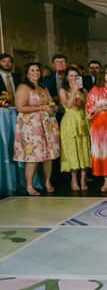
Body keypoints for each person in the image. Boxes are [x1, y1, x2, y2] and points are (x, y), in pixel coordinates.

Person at [13, 62, 60, 195]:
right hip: (32, 127)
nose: (35, 73)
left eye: (37, 70)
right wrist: (41, 108)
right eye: (32, 70)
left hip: (47, 125)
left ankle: (47, 182)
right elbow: (20, 108)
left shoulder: (43, 87)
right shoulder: (23, 87)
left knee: (48, 155)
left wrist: (53, 107)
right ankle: (29, 185)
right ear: (27, 73)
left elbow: (50, 102)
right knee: (34, 155)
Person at [59, 66, 92, 190]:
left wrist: (83, 101)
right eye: (71, 76)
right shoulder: (63, 90)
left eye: (76, 76)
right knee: (72, 150)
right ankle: (74, 180)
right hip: (70, 121)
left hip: (83, 120)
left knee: (84, 150)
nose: (73, 78)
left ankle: (83, 179)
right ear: (67, 77)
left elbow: (89, 105)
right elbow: (67, 104)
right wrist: (73, 91)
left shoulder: (84, 90)